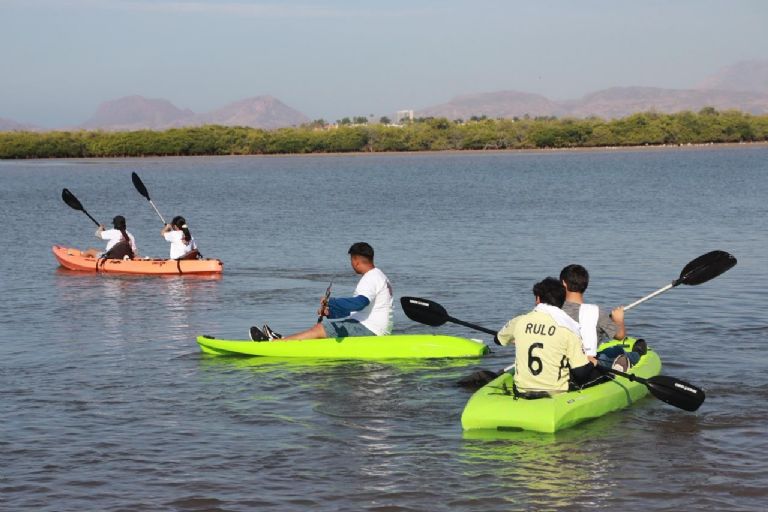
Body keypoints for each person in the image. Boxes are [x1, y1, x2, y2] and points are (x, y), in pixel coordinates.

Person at [250, 242, 393, 341]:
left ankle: (276, 343)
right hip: (371, 326)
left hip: (372, 330)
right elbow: (360, 311)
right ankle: (283, 339)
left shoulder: (370, 278)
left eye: (351, 260)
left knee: (320, 329)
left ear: (355, 260)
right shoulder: (379, 276)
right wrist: (331, 312)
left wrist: (331, 302)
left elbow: (359, 303)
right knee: (320, 330)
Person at [494, 277, 600, 396]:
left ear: (538, 299)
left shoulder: (519, 321)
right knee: (599, 373)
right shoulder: (569, 328)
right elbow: (580, 372)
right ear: (562, 301)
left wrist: (518, 338)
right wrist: (592, 363)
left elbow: (498, 340)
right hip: (556, 392)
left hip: (521, 389)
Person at [559, 264, 646, 371]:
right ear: (585, 284)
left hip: (559, 361)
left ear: (564, 283)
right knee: (618, 350)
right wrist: (619, 320)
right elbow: (620, 336)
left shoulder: (552, 309)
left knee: (613, 350)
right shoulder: (596, 312)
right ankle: (636, 353)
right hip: (586, 365)